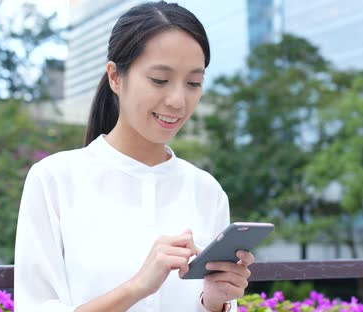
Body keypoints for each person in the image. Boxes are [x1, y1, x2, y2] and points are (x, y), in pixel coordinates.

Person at [13, 1, 254, 311]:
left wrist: (216, 302)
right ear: (115, 77)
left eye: (194, 83)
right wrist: (138, 286)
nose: (178, 101)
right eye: (159, 80)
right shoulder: (55, 180)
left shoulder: (207, 191)